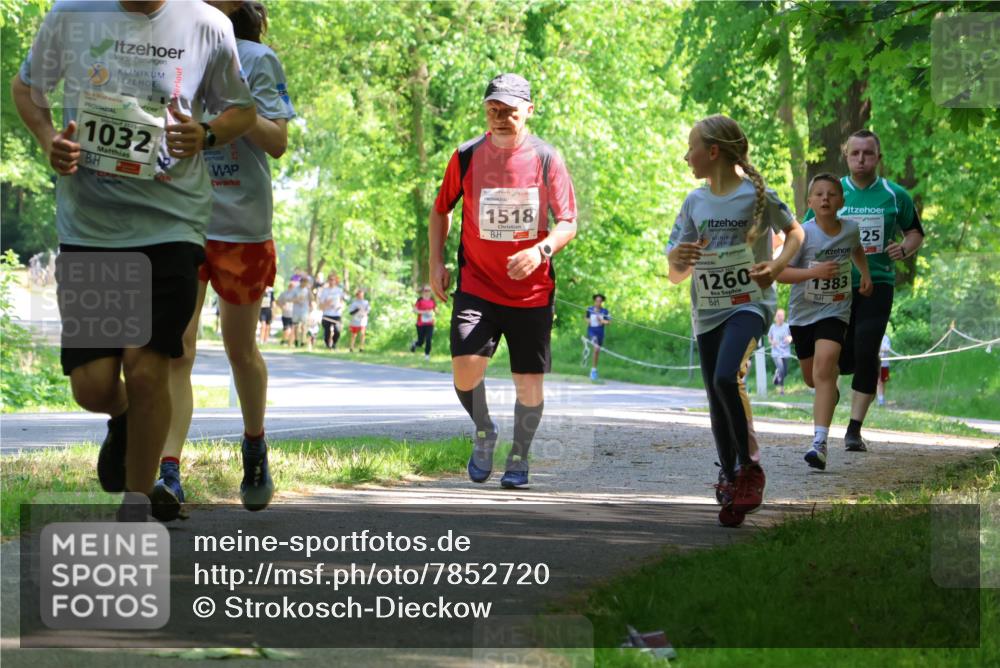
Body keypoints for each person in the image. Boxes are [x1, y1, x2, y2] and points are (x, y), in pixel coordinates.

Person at [12, 0, 255, 502]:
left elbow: (243, 110)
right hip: (93, 227)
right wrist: (48, 138)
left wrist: (207, 133)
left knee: (147, 371)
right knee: (93, 387)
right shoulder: (72, 15)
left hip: (172, 223)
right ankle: (123, 417)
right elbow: (27, 88)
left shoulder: (207, 25)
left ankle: (136, 509)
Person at [155, 0, 293, 520]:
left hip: (242, 226)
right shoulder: (172, 52)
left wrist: (234, 115)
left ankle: (254, 447)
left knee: (240, 350)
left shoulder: (257, 59)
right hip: (183, 219)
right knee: (178, 348)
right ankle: (169, 471)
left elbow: (278, 142)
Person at [429, 73, 578, 489]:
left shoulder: (547, 158)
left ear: (529, 110)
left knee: (528, 383)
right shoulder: (466, 156)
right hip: (478, 285)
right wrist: (435, 262)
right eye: (493, 109)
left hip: (532, 293)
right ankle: (484, 430)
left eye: (509, 110)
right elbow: (441, 210)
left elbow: (567, 222)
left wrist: (540, 250)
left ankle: (519, 456)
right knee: (464, 370)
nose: (499, 117)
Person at [667, 114, 803, 527]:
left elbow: (796, 234)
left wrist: (775, 266)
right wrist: (679, 257)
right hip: (707, 310)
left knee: (727, 376)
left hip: (749, 304)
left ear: (713, 152)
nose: (686, 156)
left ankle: (750, 468)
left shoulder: (755, 196)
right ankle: (729, 475)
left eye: (691, 148)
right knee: (715, 391)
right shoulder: (694, 202)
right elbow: (675, 272)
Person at [804, 130, 924, 452]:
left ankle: (854, 429)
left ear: (878, 158)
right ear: (846, 156)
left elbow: (915, 232)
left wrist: (904, 248)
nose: (861, 159)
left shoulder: (895, 195)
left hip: (878, 283)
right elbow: (805, 232)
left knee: (867, 348)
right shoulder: (830, 192)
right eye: (855, 153)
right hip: (834, 285)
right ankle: (830, 392)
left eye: (868, 154)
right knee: (837, 357)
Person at [777, 173, 872, 471]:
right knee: (813, 379)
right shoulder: (801, 235)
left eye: (831, 194)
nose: (825, 199)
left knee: (825, 366)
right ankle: (829, 392)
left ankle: (819, 444)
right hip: (803, 314)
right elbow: (780, 273)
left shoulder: (851, 229)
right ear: (809, 202)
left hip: (836, 309)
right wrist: (813, 273)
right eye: (819, 194)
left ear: (842, 201)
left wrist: (865, 274)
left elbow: (856, 248)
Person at [767, 308, 792, 394]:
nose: (780, 317)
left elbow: (791, 336)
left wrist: (789, 339)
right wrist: (772, 342)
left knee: (784, 372)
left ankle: (777, 375)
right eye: (778, 315)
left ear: (784, 317)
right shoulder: (772, 327)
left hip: (786, 352)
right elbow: (769, 338)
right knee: (781, 369)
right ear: (775, 317)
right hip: (776, 352)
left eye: (782, 315)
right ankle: (782, 390)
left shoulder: (787, 326)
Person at [586, 293, 610, 381]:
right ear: (594, 301)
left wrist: (601, 320)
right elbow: (586, 318)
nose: (598, 303)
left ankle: (593, 370)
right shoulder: (590, 309)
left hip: (600, 333)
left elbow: (608, 322)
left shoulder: (605, 311)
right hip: (592, 332)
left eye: (600, 301)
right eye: (596, 301)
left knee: (596, 351)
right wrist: (589, 321)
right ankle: (593, 371)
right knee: (596, 348)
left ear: (602, 302)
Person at [318, 273, 346, 350]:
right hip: (327, 314)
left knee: (337, 330)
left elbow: (342, 301)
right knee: (327, 331)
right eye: (330, 279)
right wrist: (327, 304)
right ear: (328, 280)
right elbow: (320, 305)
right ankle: (328, 345)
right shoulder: (324, 291)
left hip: (336, 314)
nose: (332, 281)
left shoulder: (339, 290)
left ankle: (334, 344)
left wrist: (340, 306)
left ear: (335, 281)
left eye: (333, 279)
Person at [410, 284, 436, 360]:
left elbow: (435, 309)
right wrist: (424, 312)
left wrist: (435, 312)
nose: (427, 292)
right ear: (423, 291)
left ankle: (427, 355)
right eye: (426, 290)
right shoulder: (420, 300)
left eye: (429, 290)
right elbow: (414, 310)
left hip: (430, 323)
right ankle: (415, 344)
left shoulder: (432, 300)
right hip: (420, 324)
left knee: (428, 339)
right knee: (421, 342)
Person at [276, 279, 298, 346]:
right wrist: (282, 307)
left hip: (294, 314)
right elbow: (278, 301)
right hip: (286, 314)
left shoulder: (297, 294)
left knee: (292, 329)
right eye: (291, 286)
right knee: (286, 329)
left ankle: (289, 343)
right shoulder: (284, 293)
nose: (292, 288)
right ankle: (284, 341)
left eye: (294, 286)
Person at [347, 288, 369, 352]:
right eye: (359, 295)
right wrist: (357, 309)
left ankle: (361, 347)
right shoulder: (354, 303)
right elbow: (351, 312)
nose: (361, 296)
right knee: (354, 334)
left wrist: (365, 313)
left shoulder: (366, 302)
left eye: (362, 295)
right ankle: (351, 347)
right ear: (357, 296)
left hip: (363, 320)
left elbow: (368, 310)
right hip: (355, 320)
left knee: (362, 333)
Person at [878, 331, 892, 407]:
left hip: (884, 364)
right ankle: (879, 399)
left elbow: (887, 348)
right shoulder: (875, 336)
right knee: (878, 381)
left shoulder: (886, 338)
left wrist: (881, 349)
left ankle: (882, 398)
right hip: (877, 364)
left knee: (883, 382)